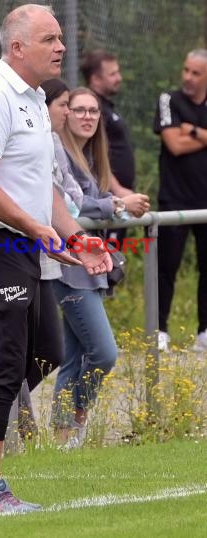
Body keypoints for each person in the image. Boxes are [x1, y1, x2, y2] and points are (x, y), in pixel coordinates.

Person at [0, 4, 112, 513]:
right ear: (17, 48)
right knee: (1, 366)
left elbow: (44, 190)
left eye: (60, 38)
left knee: (44, 350)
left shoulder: (37, 100)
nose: (61, 47)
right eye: (49, 39)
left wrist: (74, 235)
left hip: (21, 245)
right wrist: (34, 228)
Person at [51, 85, 150, 448]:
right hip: (68, 264)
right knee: (104, 353)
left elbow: (89, 201)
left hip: (89, 266)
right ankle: (72, 422)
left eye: (94, 111)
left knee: (75, 356)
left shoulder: (90, 160)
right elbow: (74, 208)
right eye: (78, 110)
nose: (88, 117)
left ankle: (63, 438)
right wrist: (119, 206)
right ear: (64, 114)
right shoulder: (57, 150)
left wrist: (117, 201)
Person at [154, 49, 207, 353]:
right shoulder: (169, 100)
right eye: (186, 70)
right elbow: (173, 144)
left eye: (195, 73)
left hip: (206, 201)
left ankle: (204, 331)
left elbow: (183, 137)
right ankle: (160, 329)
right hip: (174, 199)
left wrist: (194, 130)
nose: (188, 77)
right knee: (166, 267)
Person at [80, 50, 149, 245]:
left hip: (118, 201)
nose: (119, 78)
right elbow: (92, 155)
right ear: (95, 79)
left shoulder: (107, 108)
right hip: (107, 200)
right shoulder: (93, 112)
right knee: (107, 262)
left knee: (114, 262)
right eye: (112, 74)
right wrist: (117, 189)